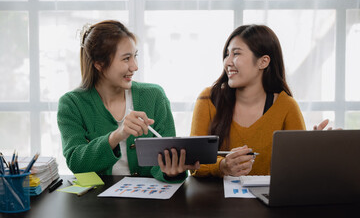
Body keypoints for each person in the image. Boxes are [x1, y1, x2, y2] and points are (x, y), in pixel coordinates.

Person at [57, 20, 199, 183]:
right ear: (99, 64)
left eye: (135, 56)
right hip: (96, 202)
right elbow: (77, 163)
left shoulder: (154, 96)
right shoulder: (72, 104)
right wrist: (117, 135)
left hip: (150, 199)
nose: (135, 66)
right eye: (126, 59)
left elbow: (164, 163)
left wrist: (171, 171)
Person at [190, 24, 330, 178]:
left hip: (268, 201)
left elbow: (298, 169)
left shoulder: (286, 106)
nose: (227, 62)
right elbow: (194, 163)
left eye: (236, 54)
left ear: (263, 62)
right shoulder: (208, 99)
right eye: (227, 54)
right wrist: (222, 166)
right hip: (216, 200)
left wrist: (315, 152)